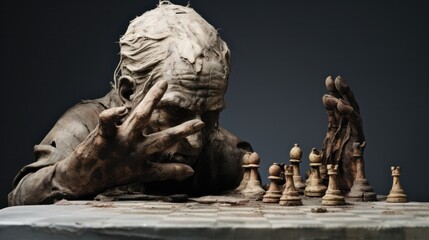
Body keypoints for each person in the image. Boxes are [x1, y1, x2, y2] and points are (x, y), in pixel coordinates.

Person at [8, 2, 253, 206]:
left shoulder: (222, 154)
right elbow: (18, 200)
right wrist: (71, 177)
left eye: (210, 115)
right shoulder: (82, 129)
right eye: (176, 111)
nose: (195, 142)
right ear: (128, 92)